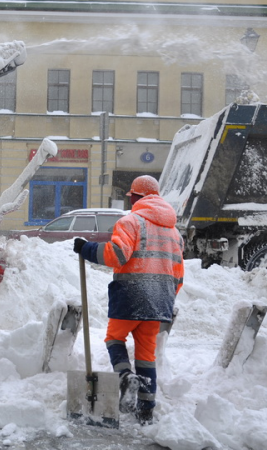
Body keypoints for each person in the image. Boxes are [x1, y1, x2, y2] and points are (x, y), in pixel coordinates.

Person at [73, 175, 183, 425]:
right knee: (146, 354)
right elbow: (179, 273)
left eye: (131, 196)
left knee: (114, 338)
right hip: (159, 300)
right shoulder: (174, 231)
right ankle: (146, 410)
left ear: (136, 197)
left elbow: (118, 254)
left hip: (131, 295)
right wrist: (165, 297)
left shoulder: (131, 221)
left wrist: (87, 249)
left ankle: (124, 377)